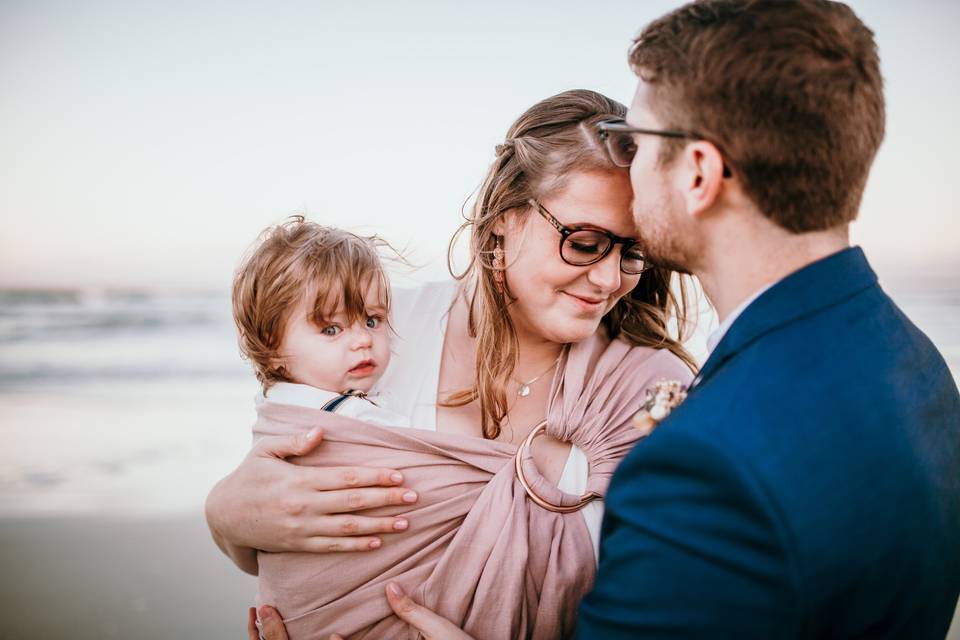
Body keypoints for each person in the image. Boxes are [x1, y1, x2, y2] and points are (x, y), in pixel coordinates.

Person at [205, 89, 696, 638]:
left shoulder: (649, 397)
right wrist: (225, 516)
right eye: (583, 243)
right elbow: (288, 516)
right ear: (504, 219)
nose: (609, 280)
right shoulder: (380, 337)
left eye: (631, 252)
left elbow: (680, 609)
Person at [574, 1, 960, 637]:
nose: (627, 166)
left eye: (633, 143)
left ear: (699, 172)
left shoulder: (702, 469)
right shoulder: (916, 360)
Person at [233, 218, 409, 428]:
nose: (364, 340)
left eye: (371, 322)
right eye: (331, 330)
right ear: (273, 349)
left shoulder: (273, 404)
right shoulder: (359, 418)